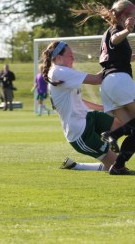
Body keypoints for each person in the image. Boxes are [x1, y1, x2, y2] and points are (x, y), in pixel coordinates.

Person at [71, 0, 135, 175]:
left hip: (107, 85)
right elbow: (116, 38)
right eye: (132, 17)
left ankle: (118, 165)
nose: (134, 20)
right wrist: (127, 30)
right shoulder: (115, 31)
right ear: (124, 16)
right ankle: (114, 134)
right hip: (119, 81)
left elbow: (116, 59)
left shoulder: (106, 34)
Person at [41, 40, 119, 171]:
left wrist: (101, 108)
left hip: (88, 118)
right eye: (70, 55)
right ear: (59, 58)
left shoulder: (60, 72)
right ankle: (77, 166)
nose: (73, 57)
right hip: (80, 133)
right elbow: (97, 79)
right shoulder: (59, 71)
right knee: (116, 165)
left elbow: (78, 101)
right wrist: (113, 60)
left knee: (126, 123)